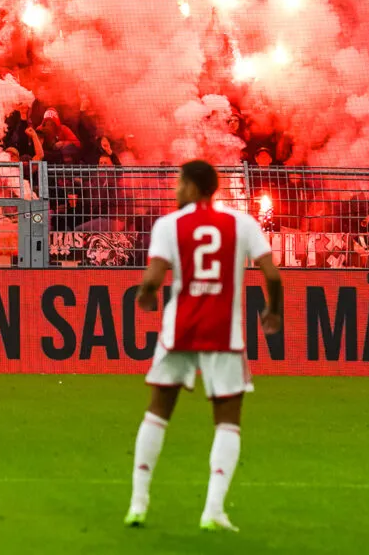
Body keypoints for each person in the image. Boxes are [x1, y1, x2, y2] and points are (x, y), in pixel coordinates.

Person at [124, 160, 283, 533]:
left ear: (195, 187)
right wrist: (273, 312)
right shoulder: (242, 223)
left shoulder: (169, 225)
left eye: (180, 183)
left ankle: (138, 503)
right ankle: (213, 510)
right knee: (228, 420)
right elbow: (272, 273)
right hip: (223, 331)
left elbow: (153, 276)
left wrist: (146, 296)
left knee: (158, 411)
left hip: (179, 328)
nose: (176, 190)